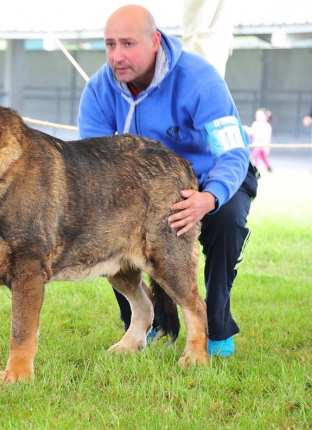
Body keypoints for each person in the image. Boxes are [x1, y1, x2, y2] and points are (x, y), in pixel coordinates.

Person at [78, 5, 258, 358]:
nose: (117, 56)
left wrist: (209, 198)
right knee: (108, 222)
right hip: (143, 192)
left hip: (211, 180)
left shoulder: (199, 79)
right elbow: (92, 165)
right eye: (110, 45)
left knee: (227, 221)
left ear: (155, 41)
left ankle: (218, 326)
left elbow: (233, 153)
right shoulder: (99, 89)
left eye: (128, 44)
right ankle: (148, 321)